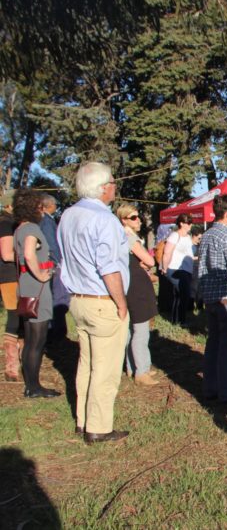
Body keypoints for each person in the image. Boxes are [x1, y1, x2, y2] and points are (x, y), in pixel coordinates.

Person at [58, 162, 130, 443]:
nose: (115, 186)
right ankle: (98, 427)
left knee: (87, 363)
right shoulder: (105, 220)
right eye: (112, 182)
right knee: (106, 368)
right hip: (102, 299)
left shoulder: (68, 215)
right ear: (102, 188)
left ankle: (83, 419)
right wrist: (120, 303)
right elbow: (109, 267)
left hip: (78, 299)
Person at [196, 195, 227, 405]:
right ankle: (226, 392)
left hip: (211, 296)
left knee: (213, 344)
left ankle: (210, 388)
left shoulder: (207, 234)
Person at [13, 189, 60, 398]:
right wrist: (41, 275)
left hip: (26, 284)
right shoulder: (32, 228)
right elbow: (29, 254)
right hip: (37, 286)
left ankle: (31, 384)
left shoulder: (19, 228)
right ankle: (34, 387)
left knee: (30, 337)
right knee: (37, 340)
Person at [116, 204, 158, 386]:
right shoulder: (130, 237)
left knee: (130, 329)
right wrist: (145, 262)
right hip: (136, 287)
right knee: (140, 330)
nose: (138, 220)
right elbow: (150, 260)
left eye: (138, 216)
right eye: (133, 217)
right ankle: (141, 371)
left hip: (127, 284)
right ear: (123, 220)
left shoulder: (118, 236)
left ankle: (133, 366)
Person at [38, 194, 69, 344]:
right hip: (53, 265)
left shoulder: (45, 220)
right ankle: (56, 333)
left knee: (56, 297)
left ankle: (55, 332)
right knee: (58, 298)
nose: (56, 207)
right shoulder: (46, 221)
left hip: (51, 264)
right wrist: (58, 262)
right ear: (49, 205)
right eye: (55, 204)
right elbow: (51, 244)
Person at [1, 190, 22, 382]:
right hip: (9, 276)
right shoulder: (5, 224)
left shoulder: (13, 223)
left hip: (17, 276)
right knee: (14, 317)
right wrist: (31, 254)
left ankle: (22, 361)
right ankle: (11, 366)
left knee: (21, 316)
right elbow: (7, 254)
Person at [160, 213, 194, 325]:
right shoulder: (174, 236)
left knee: (183, 295)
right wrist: (165, 268)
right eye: (188, 223)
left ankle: (180, 319)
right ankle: (177, 320)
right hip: (175, 269)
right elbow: (167, 252)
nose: (190, 225)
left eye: (191, 223)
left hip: (186, 270)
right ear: (181, 223)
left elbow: (188, 253)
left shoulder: (188, 237)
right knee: (182, 294)